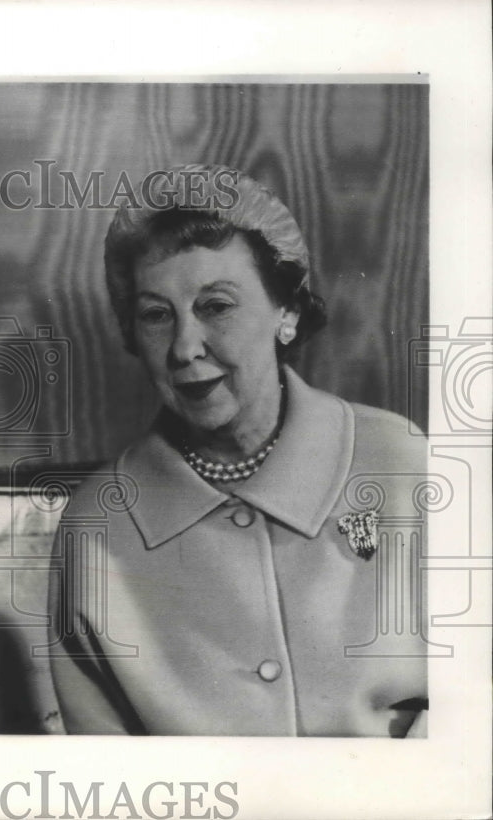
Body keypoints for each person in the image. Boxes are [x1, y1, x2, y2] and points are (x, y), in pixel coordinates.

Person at [48, 164, 429, 736]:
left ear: (288, 312)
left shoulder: (401, 460)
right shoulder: (96, 523)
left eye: (216, 306)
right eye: (156, 316)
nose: (184, 346)